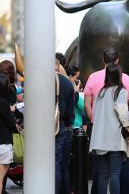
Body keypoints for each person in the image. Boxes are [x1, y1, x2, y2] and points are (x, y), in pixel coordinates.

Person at [83, 47, 129, 194]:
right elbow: (123, 114)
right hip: (115, 139)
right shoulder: (121, 91)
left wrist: (96, 124)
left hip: (99, 138)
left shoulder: (100, 93)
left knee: (102, 175)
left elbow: (89, 107)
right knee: (115, 175)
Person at [54, 58, 75, 194]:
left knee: (53, 165)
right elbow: (69, 112)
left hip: (43, 126)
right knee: (60, 164)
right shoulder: (68, 83)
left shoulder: (41, 82)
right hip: (61, 125)